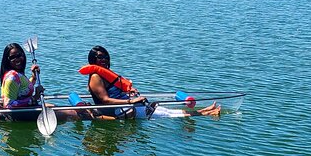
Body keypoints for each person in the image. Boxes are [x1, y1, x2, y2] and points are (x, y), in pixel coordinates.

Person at [82, 46, 221, 119]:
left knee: (166, 111)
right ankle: (206, 113)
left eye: (105, 56)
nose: (104, 59)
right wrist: (130, 102)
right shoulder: (95, 76)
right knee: (167, 114)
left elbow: (115, 92)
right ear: (93, 60)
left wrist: (129, 92)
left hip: (127, 104)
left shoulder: (105, 75)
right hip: (118, 110)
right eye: (100, 57)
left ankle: (205, 111)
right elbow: (104, 100)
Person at [0, 42, 43, 121]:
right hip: (19, 115)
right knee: (70, 113)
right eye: (12, 57)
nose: (17, 59)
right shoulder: (12, 77)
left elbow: (24, 89)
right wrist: (34, 98)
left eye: (19, 55)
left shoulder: (17, 74)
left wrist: (34, 76)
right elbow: (8, 106)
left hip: (28, 109)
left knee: (56, 107)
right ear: (7, 60)